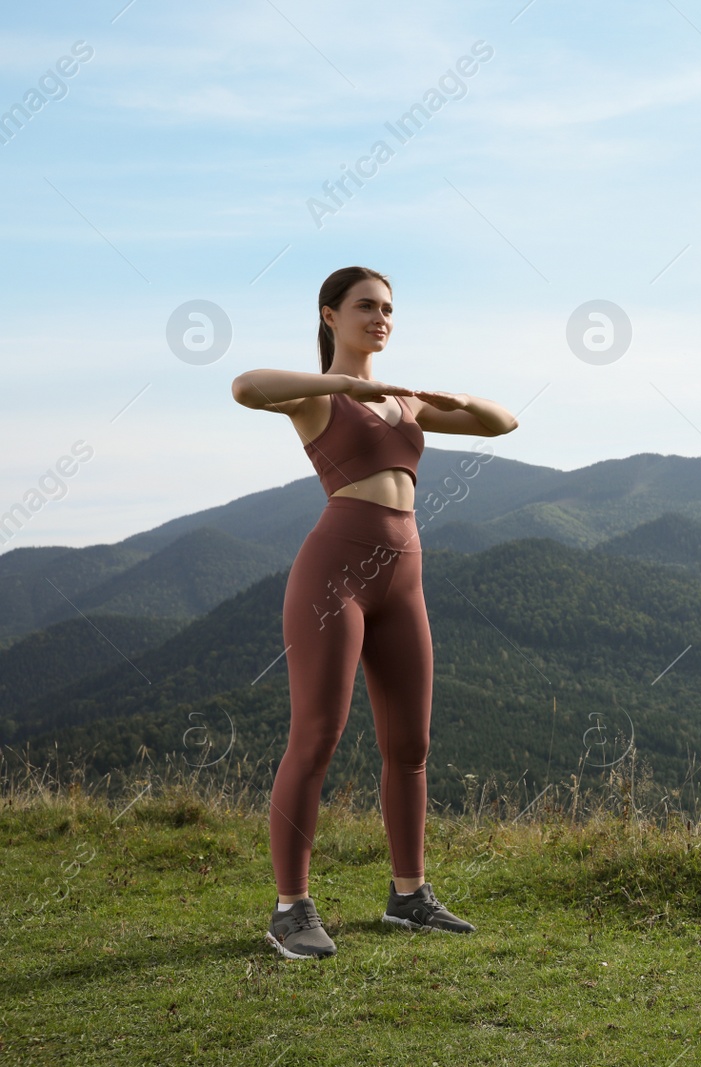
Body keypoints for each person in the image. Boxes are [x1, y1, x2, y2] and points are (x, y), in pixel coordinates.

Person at [231, 266, 518, 959]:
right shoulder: (315, 398)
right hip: (335, 574)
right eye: (366, 306)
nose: (381, 317)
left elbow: (502, 422)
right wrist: (344, 384)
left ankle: (408, 895)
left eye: (389, 308)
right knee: (318, 735)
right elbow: (244, 387)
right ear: (330, 315)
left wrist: (444, 395)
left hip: (404, 578)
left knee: (411, 744)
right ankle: (290, 908)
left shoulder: (405, 404)